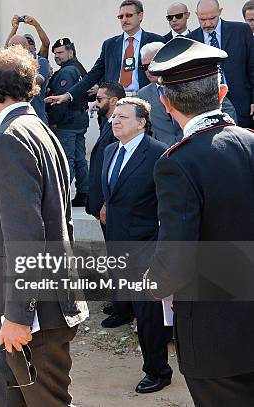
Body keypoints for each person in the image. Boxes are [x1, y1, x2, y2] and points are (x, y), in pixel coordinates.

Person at [0, 45, 88, 406]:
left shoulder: (11, 137)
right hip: (35, 307)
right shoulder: (38, 128)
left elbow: (26, 235)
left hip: (33, 316)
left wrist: (19, 315)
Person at [145, 36, 254, 407]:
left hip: (216, 338)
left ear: (166, 102)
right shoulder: (251, 142)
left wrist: (153, 282)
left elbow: (176, 258)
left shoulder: (178, 162)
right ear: (221, 91)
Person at [101, 97, 172, 394]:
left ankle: (158, 371)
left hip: (147, 246)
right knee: (138, 311)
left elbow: (167, 203)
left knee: (149, 313)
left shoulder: (159, 154)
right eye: (114, 116)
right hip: (118, 244)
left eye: (123, 117)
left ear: (142, 122)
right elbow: (113, 194)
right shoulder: (108, 151)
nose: (115, 121)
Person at [48, 0, 164, 105]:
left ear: (140, 16)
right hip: (114, 102)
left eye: (129, 15)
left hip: (145, 101)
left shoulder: (156, 41)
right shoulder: (109, 45)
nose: (124, 20)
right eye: (121, 16)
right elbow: (92, 75)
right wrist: (68, 95)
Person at [188, 0, 254, 127]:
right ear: (196, 15)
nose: (207, 24)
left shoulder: (240, 31)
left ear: (220, 12)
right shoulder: (191, 39)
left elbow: (252, 67)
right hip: (208, 108)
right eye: (202, 19)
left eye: (212, 18)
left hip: (243, 103)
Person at [47, 38, 90, 207]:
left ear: (71, 52)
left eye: (60, 53)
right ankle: (84, 193)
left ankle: (62, 197)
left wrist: (54, 122)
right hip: (79, 121)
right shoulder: (79, 69)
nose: (56, 56)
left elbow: (60, 101)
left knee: (67, 159)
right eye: (55, 53)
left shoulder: (66, 72)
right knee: (80, 158)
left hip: (67, 123)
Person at [86, 81, 123, 235]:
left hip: (110, 207)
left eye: (100, 99)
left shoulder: (119, 128)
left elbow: (117, 169)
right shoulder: (109, 124)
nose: (96, 103)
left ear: (113, 100)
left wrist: (107, 204)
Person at [137, 42, 185, 147]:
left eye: (150, 65)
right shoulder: (142, 94)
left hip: (193, 147)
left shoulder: (187, 84)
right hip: (163, 154)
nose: (148, 70)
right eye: (144, 67)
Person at [7, 35, 51, 124]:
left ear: (26, 47)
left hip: (36, 117)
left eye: (15, 46)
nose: (12, 51)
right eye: (10, 47)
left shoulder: (40, 61)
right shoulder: (8, 64)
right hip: (14, 119)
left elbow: (35, 82)